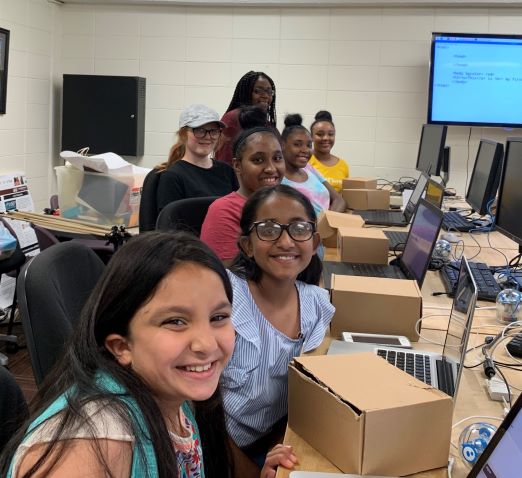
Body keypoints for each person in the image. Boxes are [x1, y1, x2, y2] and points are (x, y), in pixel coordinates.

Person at [1, 232, 237, 478]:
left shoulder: (172, 392)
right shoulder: (91, 450)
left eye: (218, 317)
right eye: (175, 321)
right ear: (122, 347)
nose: (207, 344)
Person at [221, 185, 335, 476]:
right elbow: (195, 414)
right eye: (269, 229)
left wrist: (276, 449)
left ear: (314, 241)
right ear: (247, 245)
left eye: (299, 229)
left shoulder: (315, 305)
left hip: (266, 444)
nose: (286, 241)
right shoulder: (224, 305)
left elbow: (293, 400)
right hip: (214, 450)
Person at [201, 106, 285, 264]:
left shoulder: (287, 203)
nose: (271, 168)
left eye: (277, 158)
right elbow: (230, 278)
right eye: (258, 160)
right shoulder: (224, 210)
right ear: (237, 165)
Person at [155, 104, 239, 213]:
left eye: (214, 131)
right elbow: (169, 225)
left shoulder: (227, 171)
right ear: (183, 134)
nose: (208, 137)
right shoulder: (173, 176)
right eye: (200, 130)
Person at [281, 114, 346, 216]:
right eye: (297, 144)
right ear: (282, 145)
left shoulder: (308, 168)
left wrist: (326, 222)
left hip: (326, 227)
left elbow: (339, 200)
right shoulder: (277, 178)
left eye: (309, 145)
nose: (305, 150)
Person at [215, 71, 277, 166]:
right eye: (258, 91)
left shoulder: (267, 124)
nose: (265, 96)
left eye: (269, 91)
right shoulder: (232, 118)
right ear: (246, 93)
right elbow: (224, 160)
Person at [308, 110, 349, 192]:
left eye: (330, 134)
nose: (326, 138)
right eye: (320, 134)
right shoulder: (305, 161)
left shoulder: (343, 165)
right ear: (311, 137)